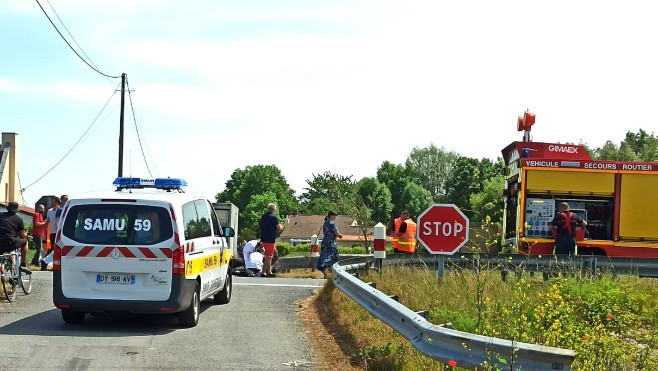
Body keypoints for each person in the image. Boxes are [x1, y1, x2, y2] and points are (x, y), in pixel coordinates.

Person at [0, 202, 31, 274]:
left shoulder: (0, 215)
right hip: (11, 242)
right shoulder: (19, 220)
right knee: (25, 242)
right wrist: (26, 236)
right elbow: (22, 235)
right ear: (16, 210)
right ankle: (23, 264)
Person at [259, 203, 284, 277]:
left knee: (269, 256)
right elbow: (279, 228)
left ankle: (269, 271)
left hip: (263, 239)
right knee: (269, 256)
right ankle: (263, 272)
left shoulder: (263, 217)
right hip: (270, 239)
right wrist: (282, 226)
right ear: (274, 209)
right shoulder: (273, 217)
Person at [316, 211, 343, 279]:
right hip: (331, 243)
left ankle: (325, 270)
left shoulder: (325, 223)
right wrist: (341, 236)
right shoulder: (332, 223)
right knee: (334, 257)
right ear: (330, 216)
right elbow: (336, 233)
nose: (335, 217)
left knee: (324, 256)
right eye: (334, 216)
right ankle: (331, 272)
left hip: (325, 242)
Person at [42, 196, 61, 270]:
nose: (51, 203)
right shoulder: (50, 211)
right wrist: (44, 232)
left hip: (58, 233)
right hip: (53, 233)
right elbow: (47, 221)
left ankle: (46, 263)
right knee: (53, 249)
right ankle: (45, 263)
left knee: (54, 250)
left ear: (56, 202)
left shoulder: (60, 210)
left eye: (52, 201)